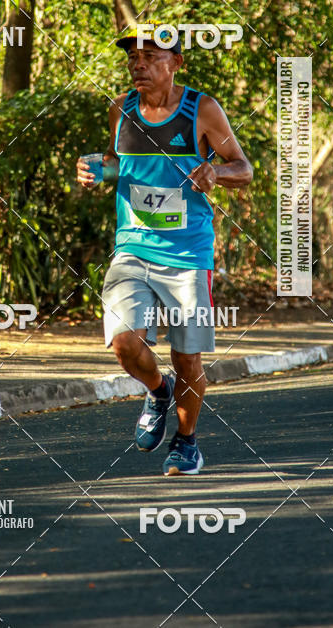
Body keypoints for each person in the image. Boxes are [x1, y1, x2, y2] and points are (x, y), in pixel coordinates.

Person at [76, 29, 253, 476]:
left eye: (150, 56)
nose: (138, 64)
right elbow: (123, 163)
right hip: (132, 246)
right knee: (124, 343)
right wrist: (98, 170)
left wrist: (214, 171)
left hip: (188, 254)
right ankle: (158, 389)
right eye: (134, 57)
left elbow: (243, 168)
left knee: (187, 355)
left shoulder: (202, 110)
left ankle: (187, 441)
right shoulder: (122, 107)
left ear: (175, 63)